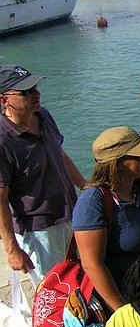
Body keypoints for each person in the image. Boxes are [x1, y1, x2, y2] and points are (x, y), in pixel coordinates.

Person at [0, 65, 86, 277]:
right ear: (4, 100)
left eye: (35, 88)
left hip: (71, 212)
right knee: (53, 290)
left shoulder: (44, 116)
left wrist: (85, 186)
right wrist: (12, 249)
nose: (36, 94)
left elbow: (59, 154)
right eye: (26, 92)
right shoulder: (3, 140)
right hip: (39, 230)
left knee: (82, 279)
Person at [72, 127, 140, 312]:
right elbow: (92, 264)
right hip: (123, 301)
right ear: (117, 163)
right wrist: (122, 311)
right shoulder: (92, 202)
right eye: (138, 156)